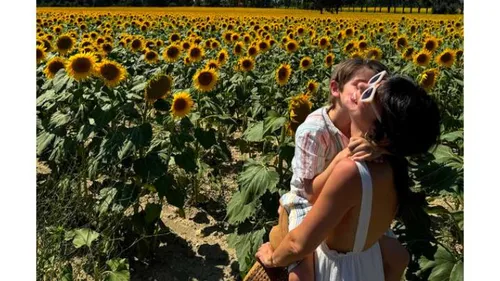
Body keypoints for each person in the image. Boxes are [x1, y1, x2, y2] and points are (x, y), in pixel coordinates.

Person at [255, 73, 441, 281]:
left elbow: (298, 244)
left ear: (380, 131)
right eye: (372, 82)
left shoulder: (352, 172)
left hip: (339, 272)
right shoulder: (393, 164)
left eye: (370, 93)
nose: (363, 88)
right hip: (368, 265)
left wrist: (272, 259)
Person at [277, 59, 409, 281]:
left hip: (350, 199)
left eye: (374, 90)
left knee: (399, 257)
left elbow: (394, 148)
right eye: (361, 86)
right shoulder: (314, 131)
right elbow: (309, 192)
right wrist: (343, 156)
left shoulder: (369, 126)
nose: (368, 93)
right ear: (335, 89)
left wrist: (379, 150)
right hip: (307, 201)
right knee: (302, 274)